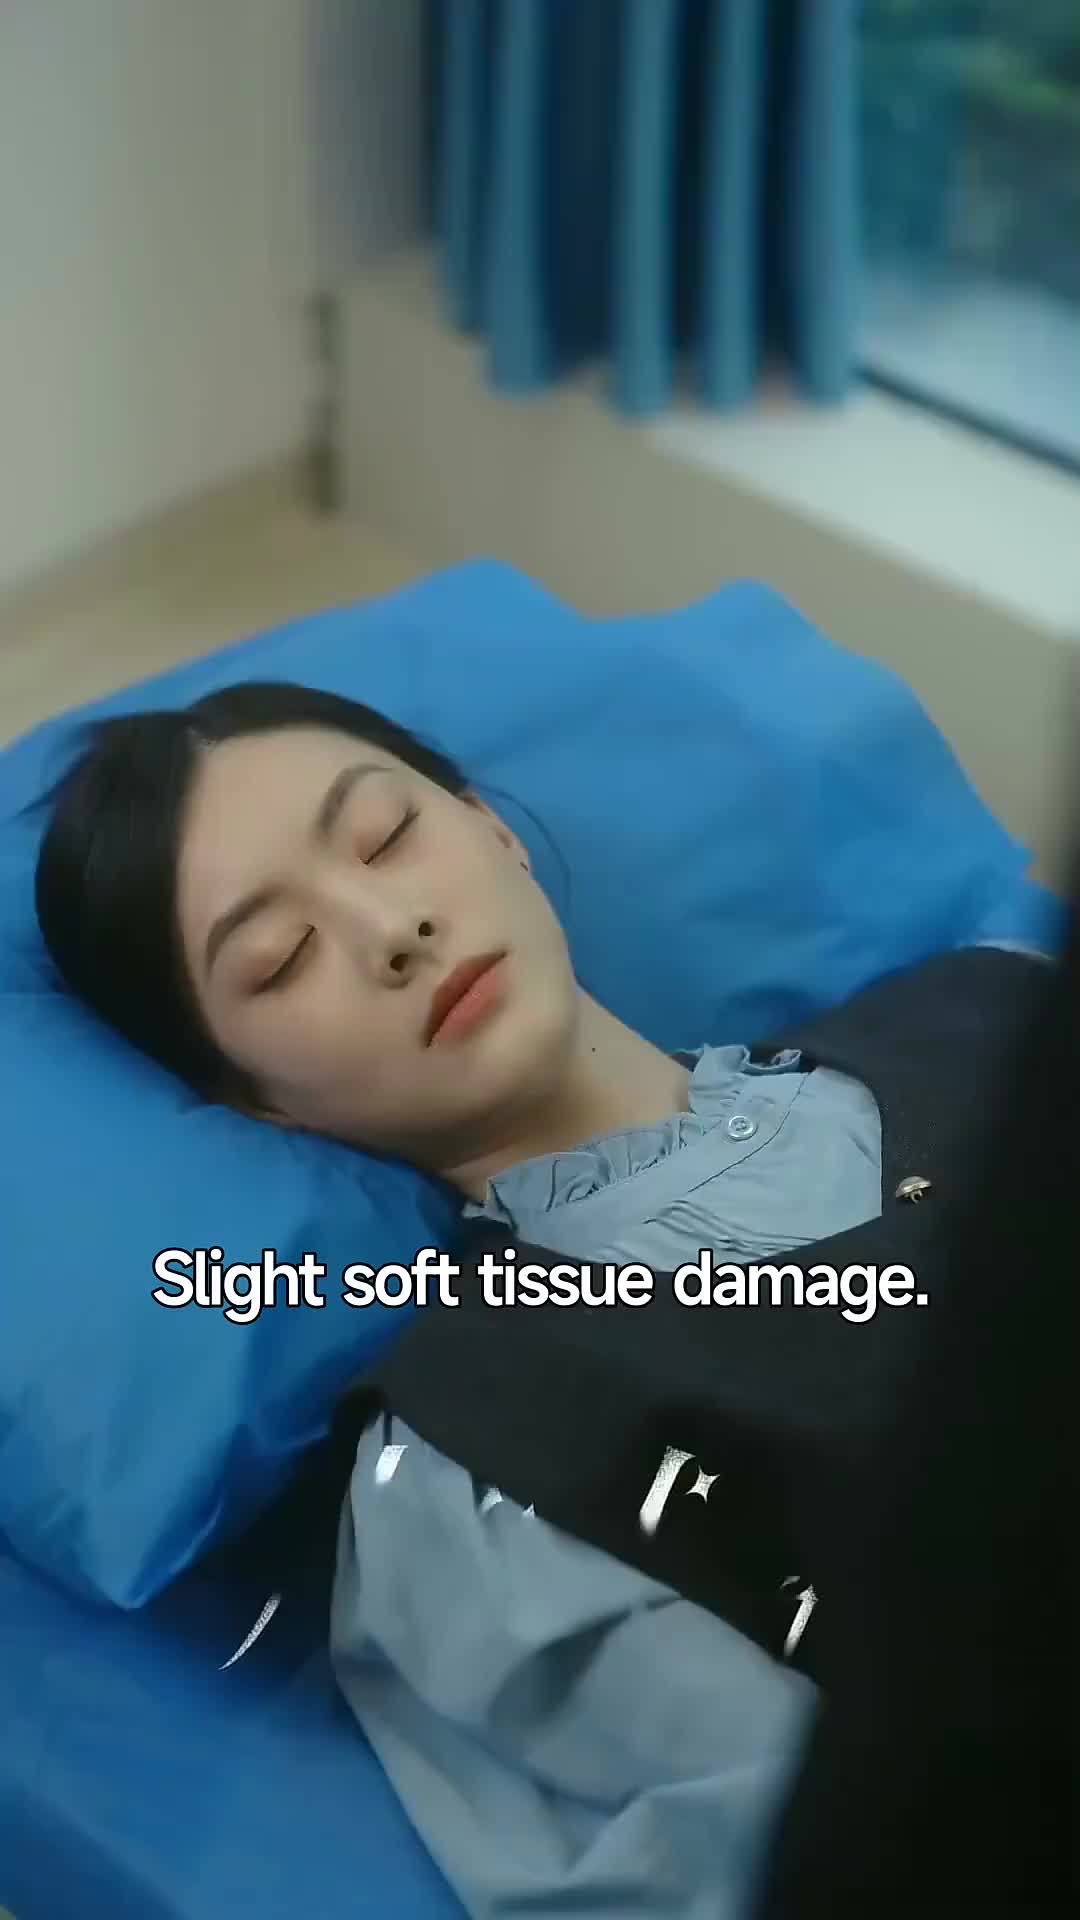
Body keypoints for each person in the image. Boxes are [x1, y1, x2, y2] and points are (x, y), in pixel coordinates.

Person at [33, 681, 1055, 1919]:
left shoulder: (997, 1003)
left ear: (492, 828)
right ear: (257, 1099)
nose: (390, 930)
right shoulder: (480, 1468)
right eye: (281, 960)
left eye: (384, 838)